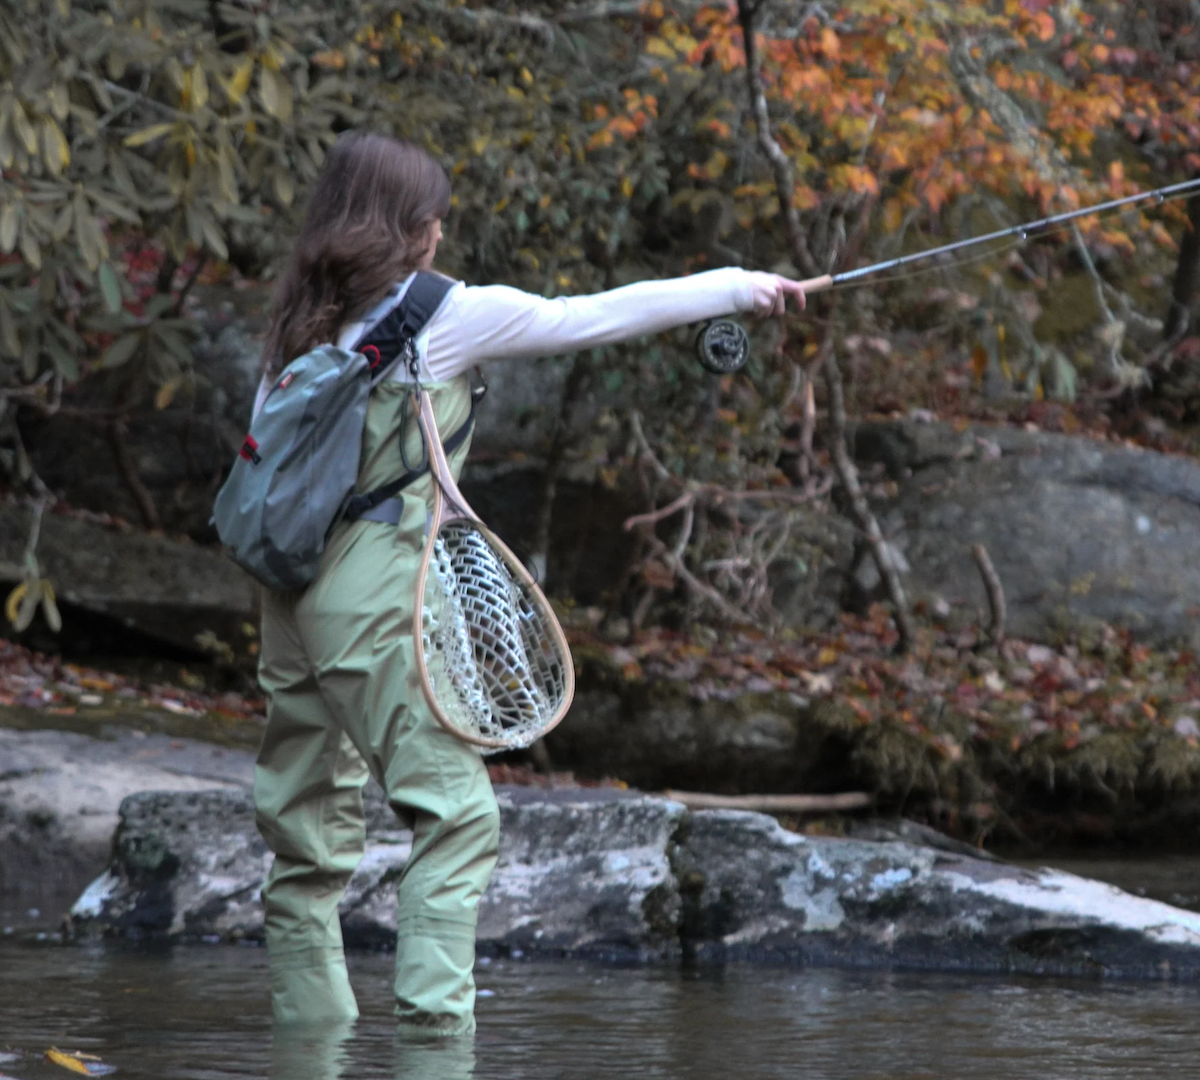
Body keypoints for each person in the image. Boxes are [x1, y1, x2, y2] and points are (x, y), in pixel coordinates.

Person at [251, 131, 809, 1039]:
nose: (440, 230)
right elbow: (589, 315)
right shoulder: (439, 316)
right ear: (411, 229)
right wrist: (744, 288)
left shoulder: (296, 324)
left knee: (306, 838)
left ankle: (310, 1049)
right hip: (366, 594)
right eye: (432, 214)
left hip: (283, 594)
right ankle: (436, 1046)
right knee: (457, 815)